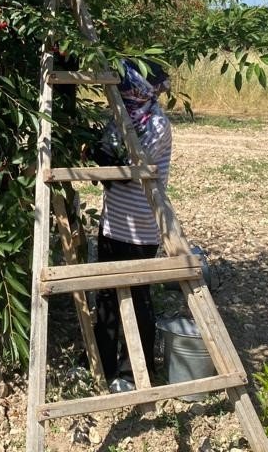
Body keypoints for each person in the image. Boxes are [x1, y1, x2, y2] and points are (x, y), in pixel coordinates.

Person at [92, 58, 172, 392]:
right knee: (107, 296)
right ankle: (104, 363)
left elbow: (128, 169)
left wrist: (102, 157)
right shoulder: (122, 116)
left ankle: (133, 372)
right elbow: (107, 154)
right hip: (113, 223)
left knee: (138, 299)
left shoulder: (155, 124)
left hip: (140, 228)